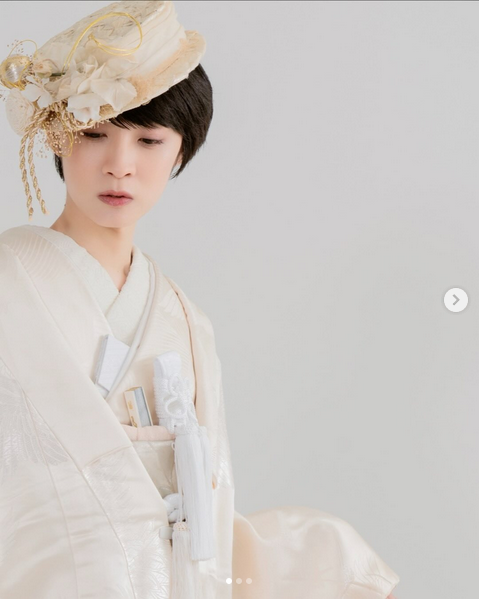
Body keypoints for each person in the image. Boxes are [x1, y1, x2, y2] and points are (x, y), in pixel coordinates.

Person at [0, 2, 400, 598]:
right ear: (58, 136)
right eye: (94, 133)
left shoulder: (186, 322)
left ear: (181, 152)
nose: (120, 166)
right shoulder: (9, 282)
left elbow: (209, 509)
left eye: (149, 140)